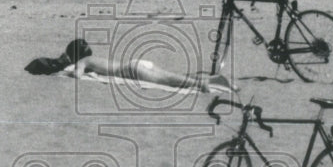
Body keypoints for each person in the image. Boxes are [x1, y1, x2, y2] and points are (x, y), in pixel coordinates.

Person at [25, 39, 234, 93]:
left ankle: (203, 84)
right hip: (135, 63)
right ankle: (211, 80)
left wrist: (65, 72)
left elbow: (78, 76)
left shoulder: (82, 62)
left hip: (132, 71)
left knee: (171, 80)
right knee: (172, 76)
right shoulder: (91, 59)